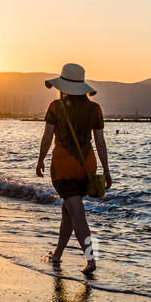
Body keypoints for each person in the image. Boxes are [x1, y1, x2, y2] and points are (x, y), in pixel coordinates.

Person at [36, 62, 111, 273]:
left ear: (63, 86)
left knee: (76, 212)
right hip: (86, 166)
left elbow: (47, 137)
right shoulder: (94, 109)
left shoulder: (56, 107)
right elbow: (100, 143)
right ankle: (57, 254)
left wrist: (40, 159)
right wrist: (106, 170)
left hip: (63, 167)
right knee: (68, 212)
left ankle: (91, 260)